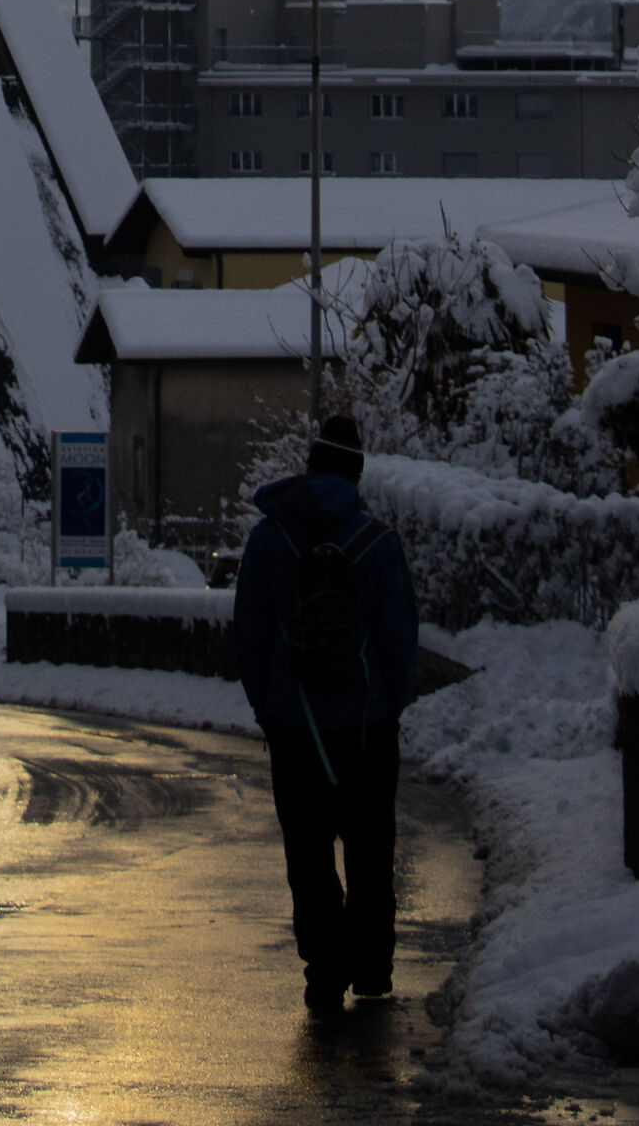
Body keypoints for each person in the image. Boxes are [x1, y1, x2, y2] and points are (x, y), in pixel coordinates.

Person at [233, 415, 419, 1019]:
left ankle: (324, 971)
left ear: (309, 466)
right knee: (370, 851)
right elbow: (399, 641)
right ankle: (370, 967)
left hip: (295, 727)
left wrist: (269, 706)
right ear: (357, 473)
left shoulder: (268, 542)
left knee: (308, 856)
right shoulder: (378, 544)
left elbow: (250, 637)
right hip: (367, 728)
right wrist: (390, 705)